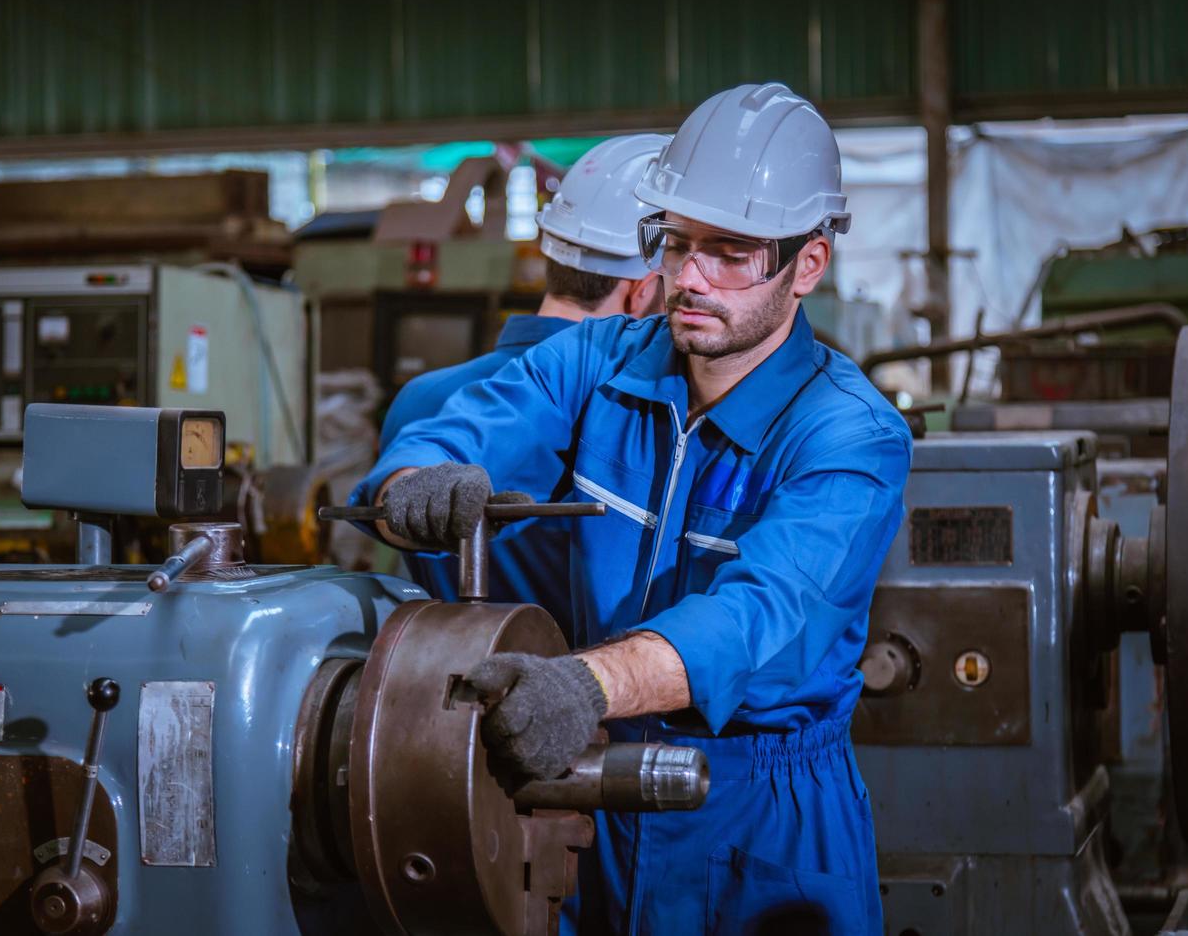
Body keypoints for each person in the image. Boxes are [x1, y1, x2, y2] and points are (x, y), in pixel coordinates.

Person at [355, 82, 910, 934]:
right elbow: (465, 424)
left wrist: (585, 682)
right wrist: (411, 485)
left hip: (760, 814)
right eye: (676, 242)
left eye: (729, 251)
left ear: (808, 264)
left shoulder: (849, 435)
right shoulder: (602, 361)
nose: (688, 277)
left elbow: (759, 617)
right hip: (595, 798)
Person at [378, 134, 669, 632]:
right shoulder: (628, 419)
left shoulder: (418, 400)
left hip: (430, 685)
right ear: (641, 294)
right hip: (579, 694)